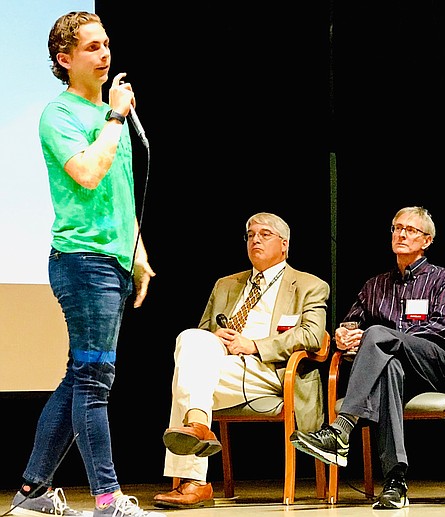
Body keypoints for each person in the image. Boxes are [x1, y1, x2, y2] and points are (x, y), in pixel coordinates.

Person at [10, 11, 159, 517]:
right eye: (92, 48)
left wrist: (137, 254)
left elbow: (121, 194)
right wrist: (114, 118)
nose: (104, 54)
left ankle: (32, 491)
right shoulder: (60, 115)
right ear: (65, 59)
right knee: (95, 380)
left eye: (106, 44)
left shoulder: (110, 117)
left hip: (113, 260)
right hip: (81, 261)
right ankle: (107, 497)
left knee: (80, 378)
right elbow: (90, 174)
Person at [153, 212, 330, 509]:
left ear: (284, 245)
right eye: (250, 235)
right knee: (189, 341)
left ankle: (193, 481)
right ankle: (198, 428)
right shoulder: (226, 284)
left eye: (264, 234)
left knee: (186, 378)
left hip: (271, 370)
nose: (255, 240)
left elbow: (313, 336)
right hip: (223, 366)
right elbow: (202, 332)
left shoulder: (309, 285)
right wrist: (217, 335)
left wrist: (254, 345)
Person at [290, 206, 445, 509]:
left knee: (380, 336)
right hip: (389, 366)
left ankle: (342, 428)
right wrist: (343, 335)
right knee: (389, 368)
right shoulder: (374, 285)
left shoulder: (444, 279)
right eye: (397, 228)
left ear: (427, 240)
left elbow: (444, 329)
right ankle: (395, 482)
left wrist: (388, 336)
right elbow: (350, 323)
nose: (401, 234)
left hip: (430, 364)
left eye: (410, 230)